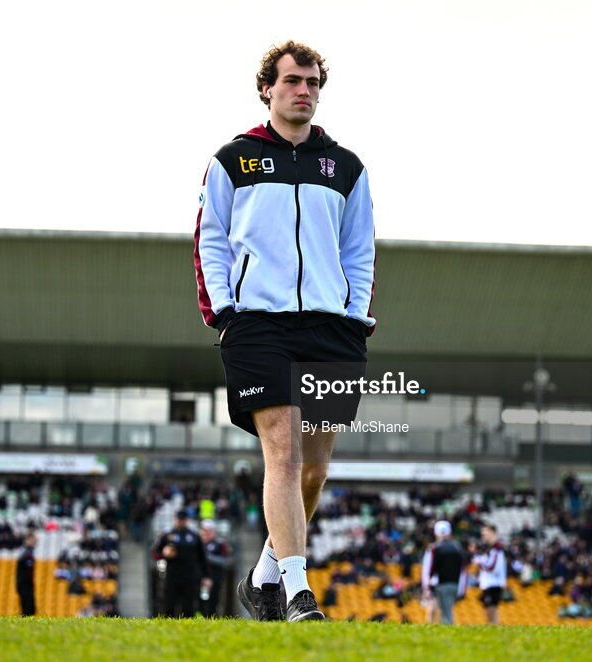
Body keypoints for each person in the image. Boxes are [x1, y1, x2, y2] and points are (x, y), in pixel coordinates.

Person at [194, 40, 376, 623]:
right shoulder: (233, 159)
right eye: (294, 81)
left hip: (331, 328)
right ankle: (297, 593)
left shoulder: (345, 167)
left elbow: (360, 249)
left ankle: (264, 574)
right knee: (285, 453)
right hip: (258, 325)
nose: (305, 90)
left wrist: (355, 310)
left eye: (314, 82)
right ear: (267, 88)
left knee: (316, 469)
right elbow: (211, 239)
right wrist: (225, 309)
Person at [153, 510, 211, 618]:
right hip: (172, 574)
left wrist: (206, 576)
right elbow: (155, 553)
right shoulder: (167, 535)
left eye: (183, 520)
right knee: (169, 604)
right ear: (175, 519)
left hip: (190, 575)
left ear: (187, 520)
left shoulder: (194, 536)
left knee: (188, 606)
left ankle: (188, 628)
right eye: (179, 519)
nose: (180, 522)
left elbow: (202, 558)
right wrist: (164, 553)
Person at [421, 521, 467, 625]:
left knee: (440, 611)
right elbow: (463, 571)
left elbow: (428, 570)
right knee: (444, 609)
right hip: (452, 583)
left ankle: (433, 630)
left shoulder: (434, 549)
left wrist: (426, 586)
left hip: (439, 584)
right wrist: (462, 589)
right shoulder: (457, 548)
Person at [469, 523, 507, 625]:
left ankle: (495, 628)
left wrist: (479, 562)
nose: (483, 535)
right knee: (489, 609)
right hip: (489, 583)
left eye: (485, 532)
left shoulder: (496, 549)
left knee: (491, 609)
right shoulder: (490, 548)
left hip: (494, 583)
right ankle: (494, 627)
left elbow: (492, 567)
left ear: (492, 533)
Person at [198, 520, 231, 617]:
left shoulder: (220, 544)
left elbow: (224, 561)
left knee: (213, 601)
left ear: (213, 532)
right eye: (203, 531)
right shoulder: (198, 544)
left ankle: (212, 617)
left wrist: (207, 557)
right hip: (199, 577)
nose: (205, 533)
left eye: (208, 531)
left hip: (215, 578)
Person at [15, 531, 37, 616]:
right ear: (27, 540)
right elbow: (26, 570)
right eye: (33, 540)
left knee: (30, 608)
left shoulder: (27, 553)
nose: (35, 542)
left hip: (26, 583)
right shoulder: (26, 554)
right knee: (28, 608)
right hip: (24, 583)